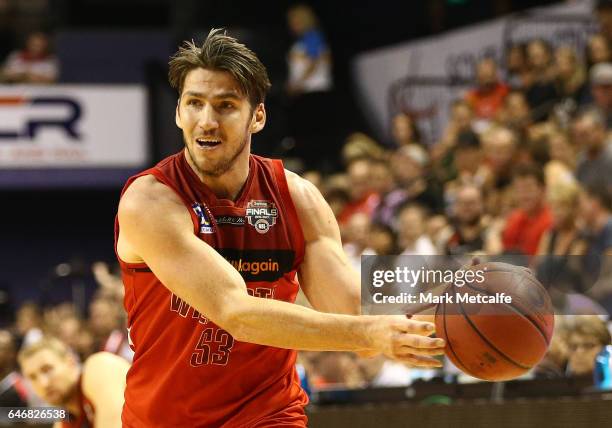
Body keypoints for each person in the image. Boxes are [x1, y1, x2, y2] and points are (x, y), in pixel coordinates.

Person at [115, 29, 444, 427]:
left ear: (258, 116)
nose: (206, 121)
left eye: (225, 106)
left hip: (269, 413)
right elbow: (236, 312)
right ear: (178, 112)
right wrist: (370, 333)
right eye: (194, 103)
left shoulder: (297, 198)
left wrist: (448, 307)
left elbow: (349, 305)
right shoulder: (151, 200)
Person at [18, 337, 129, 428]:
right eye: (32, 377)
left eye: (48, 369)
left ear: (70, 363)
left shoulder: (99, 367)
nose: (43, 384)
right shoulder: (63, 423)